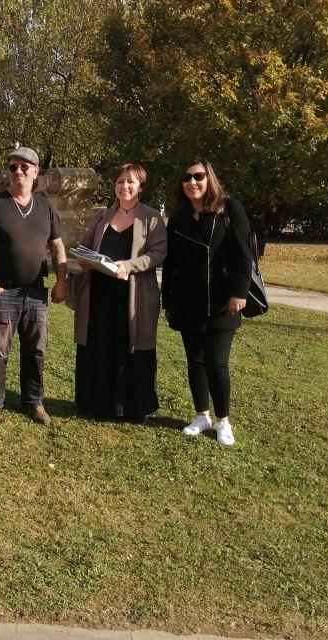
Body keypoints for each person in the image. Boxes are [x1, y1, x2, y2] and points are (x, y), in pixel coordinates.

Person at [0, 147, 68, 426]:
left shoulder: (46, 207)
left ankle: (34, 402)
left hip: (36, 292)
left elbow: (57, 245)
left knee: (36, 350)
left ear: (36, 172)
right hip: (4, 292)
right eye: (13, 167)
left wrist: (61, 282)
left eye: (25, 167)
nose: (18, 172)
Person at [161, 157, 253, 446]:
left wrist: (239, 292)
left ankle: (223, 421)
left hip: (222, 301)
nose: (192, 183)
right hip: (187, 300)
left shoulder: (230, 209)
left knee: (217, 363)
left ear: (209, 178)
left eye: (198, 176)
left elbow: (243, 255)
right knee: (195, 361)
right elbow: (171, 263)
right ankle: (201, 415)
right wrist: (168, 300)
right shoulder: (178, 218)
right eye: (186, 178)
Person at [69, 164, 166, 423]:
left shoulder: (152, 218)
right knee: (99, 345)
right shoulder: (102, 216)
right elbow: (86, 245)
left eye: (131, 182)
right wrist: (85, 259)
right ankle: (98, 403)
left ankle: (133, 408)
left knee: (132, 348)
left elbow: (158, 253)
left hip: (134, 297)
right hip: (100, 294)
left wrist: (128, 265)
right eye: (120, 181)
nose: (124, 186)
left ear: (141, 187)